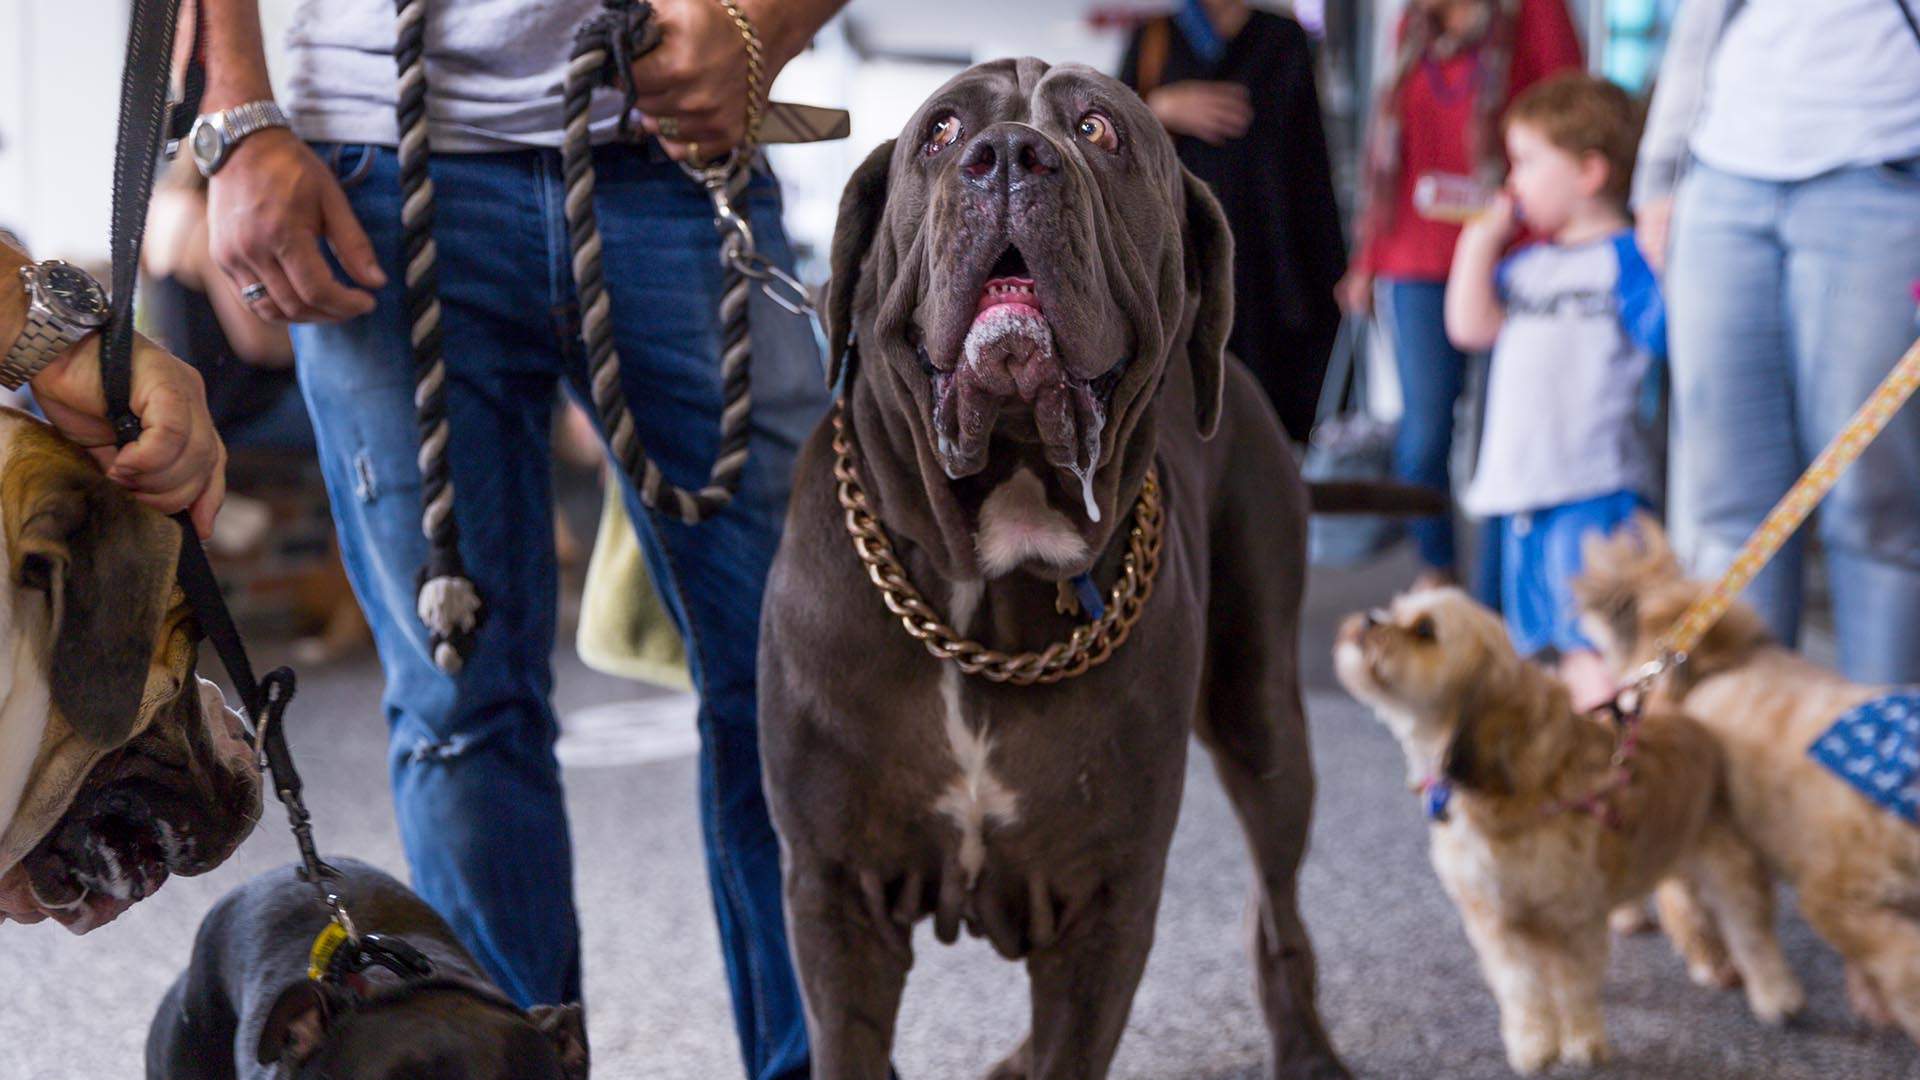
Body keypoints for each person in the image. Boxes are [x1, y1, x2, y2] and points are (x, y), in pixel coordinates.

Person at [196, 2, 846, 1077]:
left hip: (673, 147)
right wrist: (232, 115)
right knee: (460, 708)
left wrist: (767, 18)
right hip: (373, 153)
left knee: (794, 687)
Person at [1633, 0, 1920, 684]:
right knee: (1726, 514)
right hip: (1721, 176)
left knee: (1872, 509)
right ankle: (1746, 778)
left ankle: (1879, 780)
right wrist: (1660, 171)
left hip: (1882, 168)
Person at [1336, 0, 1581, 587]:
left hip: (1516, 256)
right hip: (1414, 257)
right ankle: (1439, 574)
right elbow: (1386, 150)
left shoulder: (1536, 15)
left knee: (1507, 436)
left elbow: (1573, 125)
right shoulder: (1412, 27)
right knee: (1422, 440)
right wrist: (1366, 260)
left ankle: (1494, 602)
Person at [1445, 73, 1662, 709]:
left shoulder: (1626, 259)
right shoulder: (1528, 265)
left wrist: (1665, 253)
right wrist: (1478, 243)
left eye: (1529, 163)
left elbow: (1664, 334)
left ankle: (1617, 757)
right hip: (1523, 489)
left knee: (1597, 642)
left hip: (1595, 485)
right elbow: (1470, 325)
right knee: (1545, 641)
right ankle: (1584, 758)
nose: (1513, 182)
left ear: (1589, 173)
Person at [1119, 0, 1347, 442]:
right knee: (1179, 418)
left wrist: (1335, 271)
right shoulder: (1156, 37)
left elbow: (1310, 166)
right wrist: (1159, 107)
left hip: (1271, 274)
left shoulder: (1282, 39)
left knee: (1267, 422)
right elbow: (1097, 135)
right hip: (1179, 267)